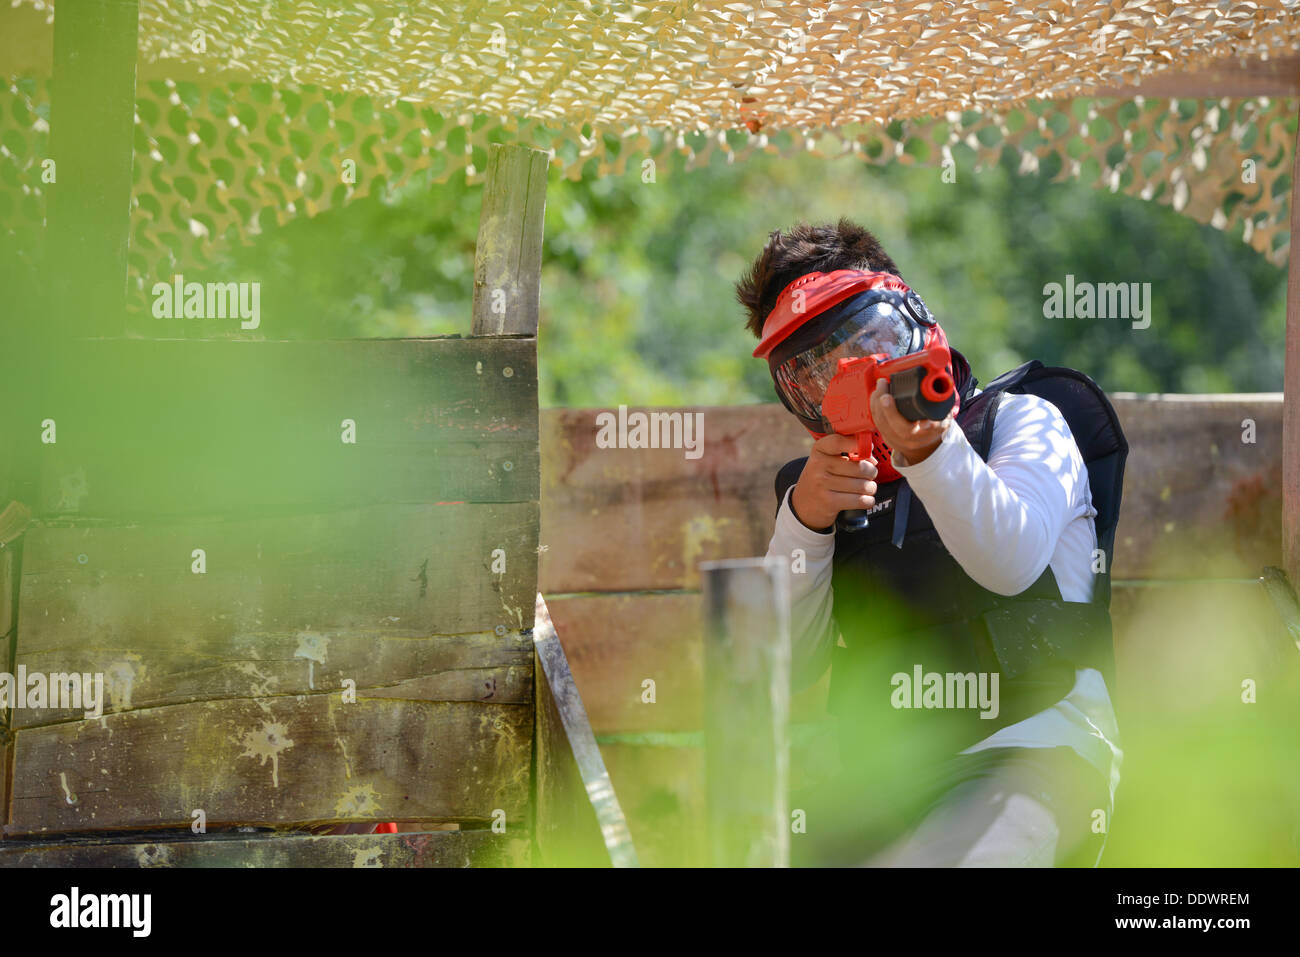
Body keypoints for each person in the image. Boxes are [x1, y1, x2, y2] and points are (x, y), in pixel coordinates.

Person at [735, 218, 1127, 867]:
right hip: (879, 784)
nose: (849, 378)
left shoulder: (1024, 419)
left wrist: (930, 450)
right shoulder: (815, 491)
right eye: (812, 371)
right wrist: (804, 518)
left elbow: (1012, 560)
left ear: (914, 321)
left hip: (1037, 754)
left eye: (864, 341)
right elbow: (775, 672)